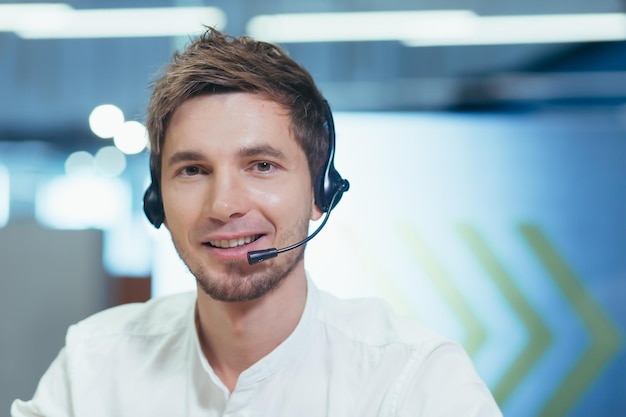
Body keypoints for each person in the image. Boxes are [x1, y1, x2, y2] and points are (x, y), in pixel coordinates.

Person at [12, 27, 502, 416]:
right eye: (193, 170)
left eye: (261, 165)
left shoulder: (413, 380)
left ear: (320, 191)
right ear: (156, 199)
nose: (224, 205)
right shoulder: (95, 364)